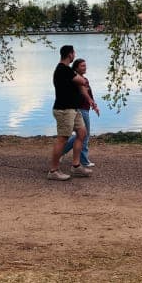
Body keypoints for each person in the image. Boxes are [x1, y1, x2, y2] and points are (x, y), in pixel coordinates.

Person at [48, 45, 92, 181]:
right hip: (64, 109)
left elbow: (82, 83)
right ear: (70, 55)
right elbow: (83, 81)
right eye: (73, 53)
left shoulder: (67, 70)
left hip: (73, 109)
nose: (74, 55)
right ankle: (53, 171)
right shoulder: (63, 69)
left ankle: (76, 166)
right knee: (62, 138)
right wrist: (82, 81)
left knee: (82, 133)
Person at [61, 58, 99, 167]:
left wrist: (94, 105)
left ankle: (61, 152)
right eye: (82, 66)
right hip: (80, 109)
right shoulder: (76, 80)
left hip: (85, 109)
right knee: (84, 135)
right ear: (76, 68)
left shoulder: (84, 79)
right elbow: (79, 94)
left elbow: (89, 95)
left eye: (85, 65)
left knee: (81, 134)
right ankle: (84, 161)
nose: (85, 67)